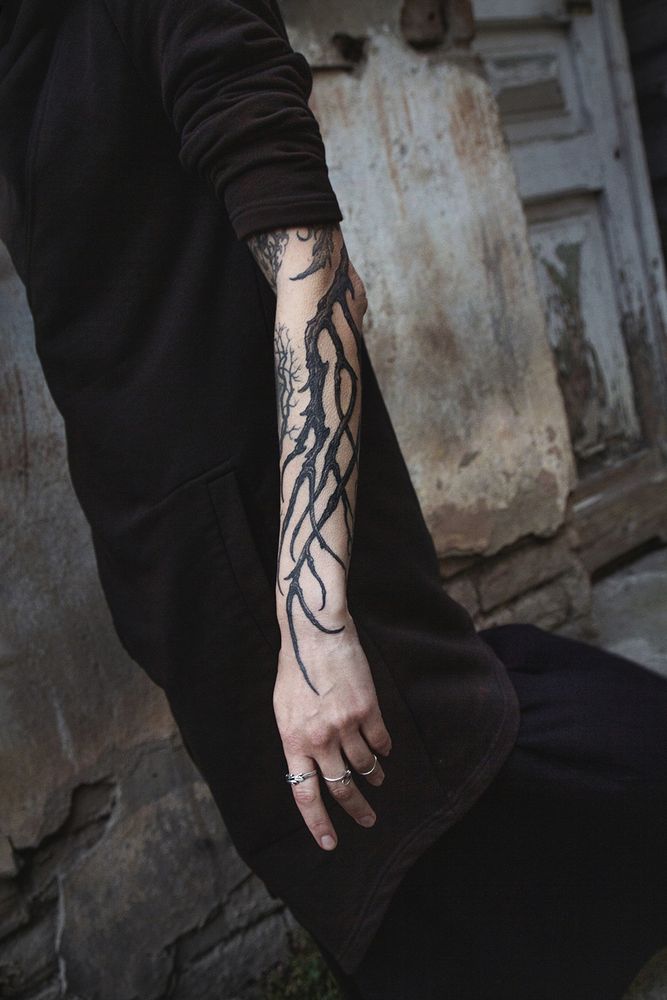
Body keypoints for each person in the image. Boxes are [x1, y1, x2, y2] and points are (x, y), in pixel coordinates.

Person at [0, 1, 665, 997]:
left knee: (428, 805)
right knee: (361, 850)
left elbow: (312, 271)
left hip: (285, 540)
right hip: (170, 564)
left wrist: (313, 621)